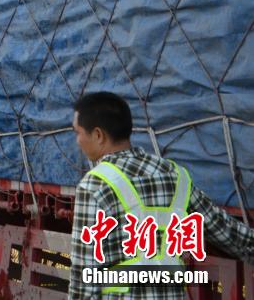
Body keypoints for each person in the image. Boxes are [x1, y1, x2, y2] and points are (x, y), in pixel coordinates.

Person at [69, 92, 254, 299]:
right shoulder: (176, 176)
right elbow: (227, 232)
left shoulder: (95, 185)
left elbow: (84, 278)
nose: (77, 141)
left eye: (78, 132)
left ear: (98, 135)